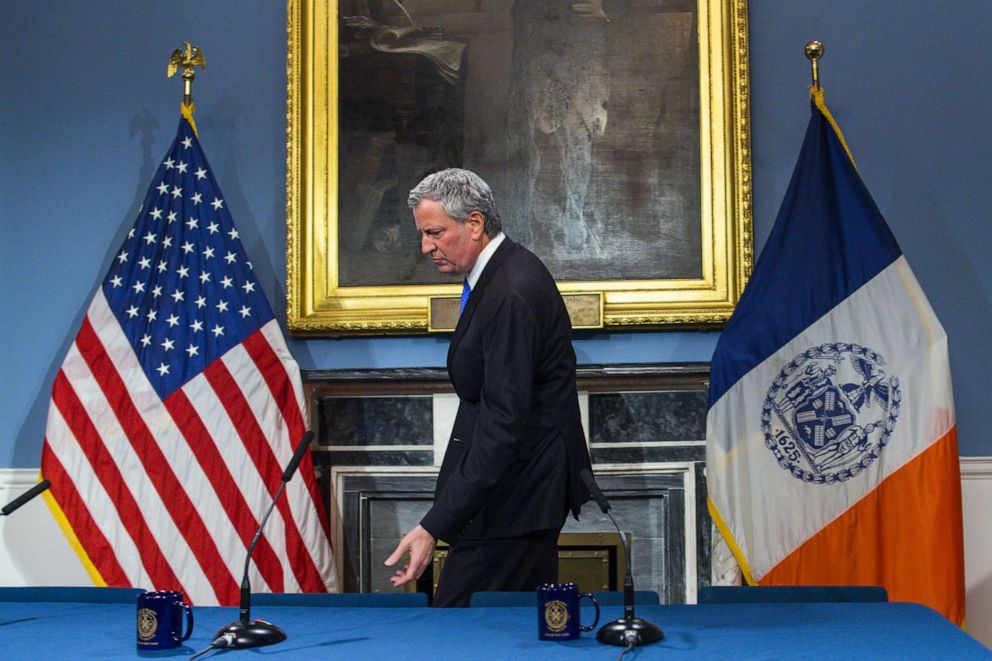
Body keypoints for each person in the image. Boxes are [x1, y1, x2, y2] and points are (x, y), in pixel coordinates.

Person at [384, 168, 592, 607]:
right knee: (510, 637)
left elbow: (503, 423)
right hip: (513, 497)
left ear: (474, 224)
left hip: (516, 499)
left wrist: (434, 525)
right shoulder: (498, 276)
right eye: (423, 234)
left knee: (456, 630)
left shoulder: (511, 290)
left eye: (435, 232)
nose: (426, 247)